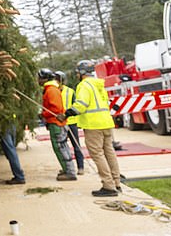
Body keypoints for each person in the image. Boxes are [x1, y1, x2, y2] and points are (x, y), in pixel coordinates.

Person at [57, 60, 122, 197]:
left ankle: (108, 186)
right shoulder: (99, 85)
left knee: (97, 155)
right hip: (106, 123)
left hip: (93, 125)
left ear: (81, 72)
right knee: (109, 153)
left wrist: (66, 114)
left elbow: (81, 105)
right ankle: (116, 183)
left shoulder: (84, 85)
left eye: (77, 72)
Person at [38, 68, 77, 181]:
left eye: (39, 78)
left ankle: (69, 172)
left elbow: (57, 109)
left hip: (56, 124)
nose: (38, 80)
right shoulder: (51, 89)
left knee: (60, 147)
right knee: (61, 147)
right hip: (55, 123)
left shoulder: (51, 90)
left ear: (44, 79)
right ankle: (67, 169)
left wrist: (44, 114)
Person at [55, 71, 85, 175]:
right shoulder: (53, 91)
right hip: (59, 123)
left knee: (76, 145)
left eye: (58, 79)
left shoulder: (70, 91)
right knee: (62, 146)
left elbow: (76, 106)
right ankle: (67, 168)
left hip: (71, 123)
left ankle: (81, 167)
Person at [0, 116, 26, 184]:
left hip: (4, 124)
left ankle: (19, 177)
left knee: (11, 152)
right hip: (11, 122)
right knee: (11, 151)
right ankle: (18, 175)